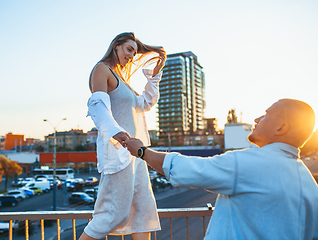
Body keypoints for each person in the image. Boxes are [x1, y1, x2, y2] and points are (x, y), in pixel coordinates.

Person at [125, 99, 318, 240]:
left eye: (266, 115)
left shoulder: (249, 163)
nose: (257, 119)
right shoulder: (310, 185)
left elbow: (184, 169)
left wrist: (142, 151)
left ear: (281, 128)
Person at [81, 32, 166, 240]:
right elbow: (97, 104)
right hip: (119, 153)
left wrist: (155, 73)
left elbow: (144, 103)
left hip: (136, 154)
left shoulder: (123, 80)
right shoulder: (102, 69)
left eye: (134, 52)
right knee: (113, 214)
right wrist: (115, 131)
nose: (131, 55)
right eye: (129, 49)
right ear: (116, 46)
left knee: (142, 212)